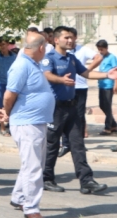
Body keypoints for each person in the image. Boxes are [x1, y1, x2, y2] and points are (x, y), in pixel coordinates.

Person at [41, 26, 111, 194]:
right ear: (56, 40)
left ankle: (86, 181)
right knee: (51, 145)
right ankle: (46, 178)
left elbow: (86, 73)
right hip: (55, 108)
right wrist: (60, 80)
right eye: (67, 37)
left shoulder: (71, 58)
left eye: (72, 37)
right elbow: (46, 75)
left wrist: (108, 75)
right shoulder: (48, 57)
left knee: (77, 144)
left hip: (72, 107)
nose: (70, 40)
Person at [0, 32, 54, 218]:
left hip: (36, 122)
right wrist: (7, 112)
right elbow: (8, 95)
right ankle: (31, 207)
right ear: (40, 48)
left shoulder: (32, 64)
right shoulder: (22, 65)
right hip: (27, 122)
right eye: (45, 48)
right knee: (33, 167)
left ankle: (19, 197)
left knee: (32, 164)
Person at [0, 38, 17, 137]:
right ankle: (2, 128)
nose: (2, 47)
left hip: (12, 84)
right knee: (1, 106)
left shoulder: (14, 57)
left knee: (12, 105)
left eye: (4, 44)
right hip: (1, 84)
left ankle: (11, 127)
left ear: (7, 45)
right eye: (0, 45)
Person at [95, 39, 117, 135]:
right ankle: (114, 124)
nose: (100, 51)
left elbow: (116, 71)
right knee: (102, 105)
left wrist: (116, 84)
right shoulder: (101, 57)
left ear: (106, 48)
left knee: (107, 106)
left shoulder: (112, 57)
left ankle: (108, 128)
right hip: (102, 84)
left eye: (102, 49)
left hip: (109, 85)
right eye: (99, 49)